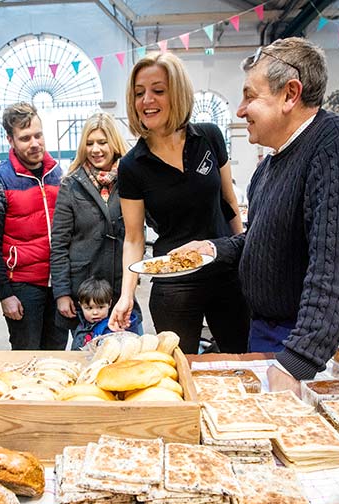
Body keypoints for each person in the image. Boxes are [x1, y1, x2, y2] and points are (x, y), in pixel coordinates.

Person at [178, 37, 339, 393]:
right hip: (268, 332)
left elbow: (338, 265)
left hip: (305, 340)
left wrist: (298, 359)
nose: (240, 110)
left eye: (250, 96)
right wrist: (214, 249)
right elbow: (265, 241)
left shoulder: (336, 141)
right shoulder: (270, 166)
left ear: (290, 94)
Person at [108, 52, 249, 354]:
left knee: (239, 357)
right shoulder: (133, 165)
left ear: (178, 93)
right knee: (179, 366)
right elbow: (133, 238)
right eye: (139, 93)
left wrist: (244, 254)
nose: (147, 100)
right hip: (175, 281)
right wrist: (126, 294)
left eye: (158, 90)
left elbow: (229, 203)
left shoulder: (209, 136)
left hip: (225, 268)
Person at [0, 102, 67, 350]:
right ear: (11, 139)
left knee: (58, 354)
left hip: (58, 283)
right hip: (23, 285)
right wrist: (5, 294)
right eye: (25, 138)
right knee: (27, 354)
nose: (34, 143)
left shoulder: (59, 175)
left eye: (38, 135)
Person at [51, 112, 141, 335]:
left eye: (102, 142)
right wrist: (62, 293)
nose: (95, 149)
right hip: (86, 293)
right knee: (89, 353)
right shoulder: (71, 185)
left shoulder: (130, 179)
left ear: (114, 143)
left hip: (120, 285)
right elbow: (59, 244)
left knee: (128, 351)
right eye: (89, 143)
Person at [71, 277, 138, 350]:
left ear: (109, 304)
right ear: (81, 305)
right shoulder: (82, 325)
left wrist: (125, 322)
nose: (95, 312)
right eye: (89, 308)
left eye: (100, 307)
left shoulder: (111, 327)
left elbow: (130, 333)